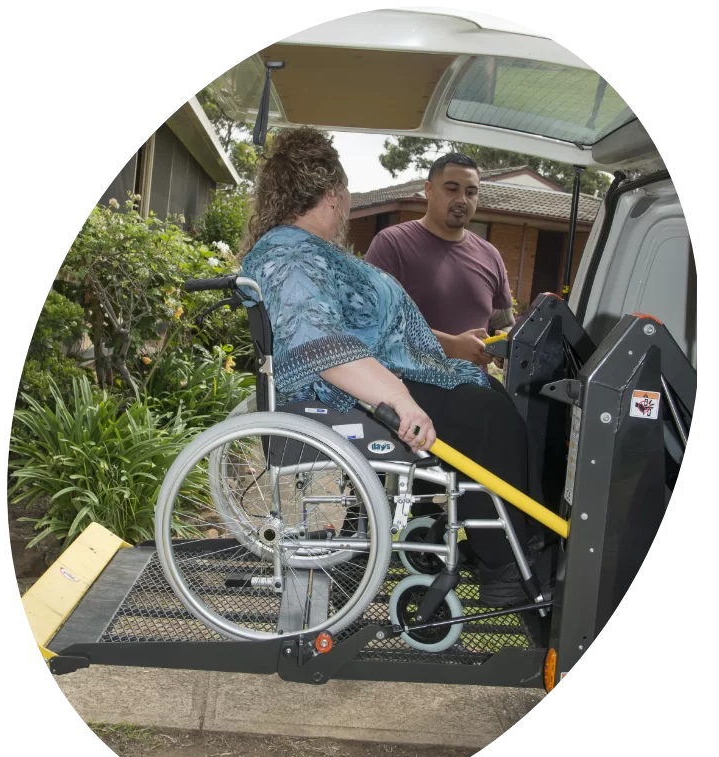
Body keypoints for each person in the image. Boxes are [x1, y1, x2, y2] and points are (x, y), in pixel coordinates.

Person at [237, 127, 553, 608]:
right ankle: (506, 565)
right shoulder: (289, 255)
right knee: (491, 423)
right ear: (332, 197)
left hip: (394, 377)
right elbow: (317, 343)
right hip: (359, 396)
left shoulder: (301, 249)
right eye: (345, 193)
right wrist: (400, 399)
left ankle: (521, 540)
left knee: (495, 408)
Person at [363, 152, 516, 372]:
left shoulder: (490, 255)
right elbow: (371, 319)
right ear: (429, 190)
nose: (462, 200)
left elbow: (504, 322)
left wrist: (505, 340)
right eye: (452, 189)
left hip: (473, 393)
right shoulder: (392, 244)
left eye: (471, 192)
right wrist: (450, 345)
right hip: (409, 394)